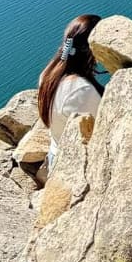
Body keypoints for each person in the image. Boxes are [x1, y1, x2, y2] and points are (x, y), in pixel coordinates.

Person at [37, 14, 104, 172]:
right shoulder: (81, 91)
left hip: (56, 156)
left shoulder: (49, 74)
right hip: (75, 168)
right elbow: (98, 135)